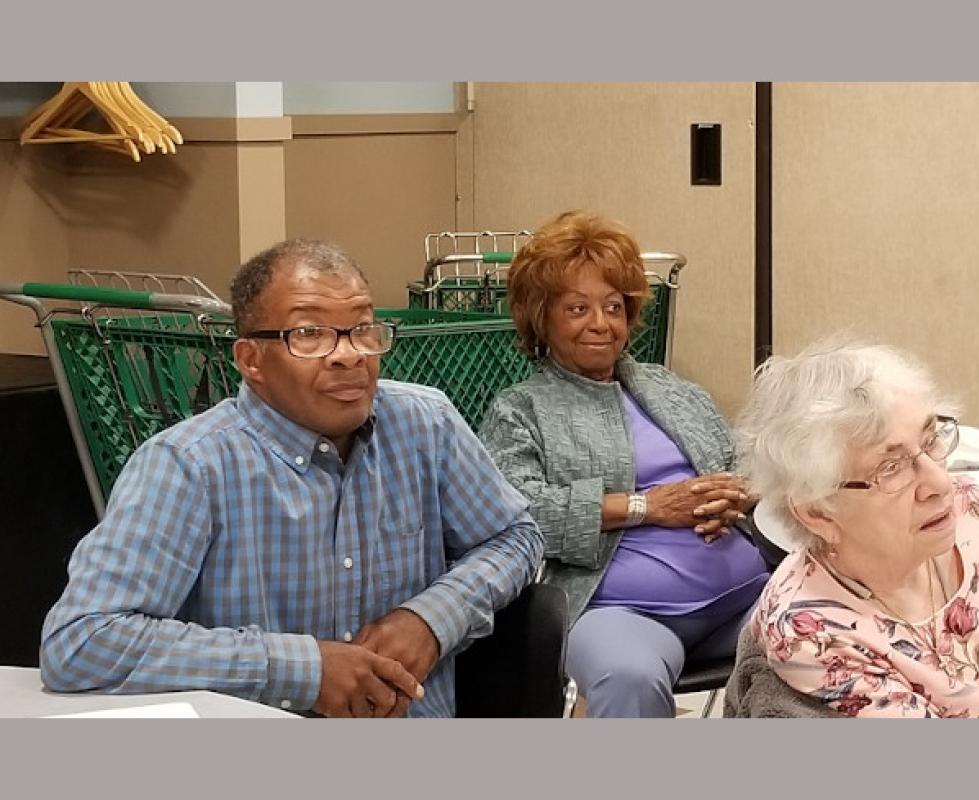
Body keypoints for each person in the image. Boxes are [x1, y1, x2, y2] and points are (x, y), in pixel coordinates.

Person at [40, 239, 544, 718]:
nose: (349, 354)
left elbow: (516, 537)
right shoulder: (189, 465)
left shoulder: (425, 423)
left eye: (363, 329)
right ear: (251, 360)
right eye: (309, 334)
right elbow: (83, 640)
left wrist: (434, 618)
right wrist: (303, 671)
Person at [479, 211, 769, 718]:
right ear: (541, 316)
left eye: (613, 306)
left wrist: (736, 495)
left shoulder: (672, 390)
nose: (600, 323)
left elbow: (740, 463)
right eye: (577, 308)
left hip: (743, 597)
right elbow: (516, 513)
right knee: (629, 677)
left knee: (836, 626)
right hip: (621, 612)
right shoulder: (520, 408)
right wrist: (646, 507)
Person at [734, 337, 979, 717]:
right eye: (891, 468)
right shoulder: (814, 635)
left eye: (931, 439)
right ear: (818, 512)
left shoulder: (976, 515)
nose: (941, 484)